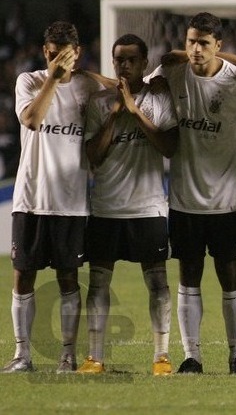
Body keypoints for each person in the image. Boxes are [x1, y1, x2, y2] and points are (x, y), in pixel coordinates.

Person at [149, 12, 236, 374]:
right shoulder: (171, 74)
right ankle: (192, 356)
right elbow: (150, 80)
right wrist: (174, 58)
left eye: (203, 43)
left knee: (230, 276)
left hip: (227, 199)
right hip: (184, 199)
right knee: (188, 275)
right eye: (191, 42)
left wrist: (188, 55)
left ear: (219, 46)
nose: (195, 49)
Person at [3, 21, 114, 373]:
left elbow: (122, 88)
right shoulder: (30, 81)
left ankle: (67, 355)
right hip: (31, 198)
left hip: (70, 203)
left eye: (63, 54)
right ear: (44, 52)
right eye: (51, 54)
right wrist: (53, 76)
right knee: (23, 276)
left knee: (68, 278)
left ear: (77, 53)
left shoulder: (87, 87)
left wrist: (96, 82)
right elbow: (32, 119)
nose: (56, 59)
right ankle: (23, 355)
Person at [78, 34, 178, 376]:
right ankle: (94, 357)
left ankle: (161, 357)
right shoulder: (99, 102)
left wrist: (134, 112)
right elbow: (93, 155)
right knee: (98, 283)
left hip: (148, 207)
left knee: (158, 283)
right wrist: (115, 114)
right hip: (106, 207)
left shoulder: (159, 97)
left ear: (144, 64)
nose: (124, 65)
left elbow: (168, 146)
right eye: (119, 59)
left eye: (131, 60)